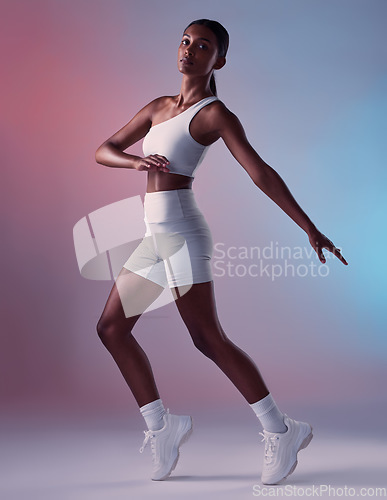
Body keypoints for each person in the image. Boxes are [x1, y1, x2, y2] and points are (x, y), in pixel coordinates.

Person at [94, 19, 348, 485]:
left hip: (184, 233)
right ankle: (163, 427)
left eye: (203, 46)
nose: (189, 50)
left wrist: (309, 227)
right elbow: (104, 150)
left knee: (208, 338)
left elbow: (261, 173)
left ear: (220, 60)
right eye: (185, 41)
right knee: (111, 327)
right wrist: (136, 161)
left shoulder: (215, 115)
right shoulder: (157, 107)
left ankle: (282, 429)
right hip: (155, 237)